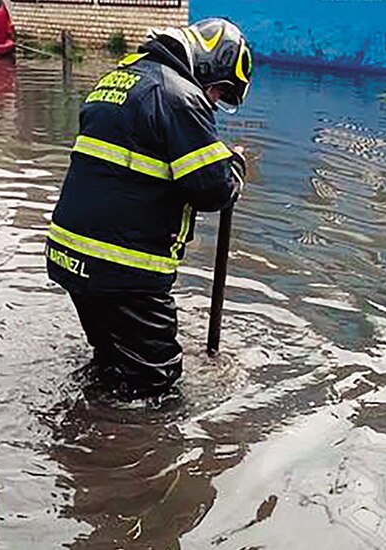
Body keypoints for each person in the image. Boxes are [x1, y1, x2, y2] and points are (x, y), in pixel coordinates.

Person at [46, 18, 253, 398]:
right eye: (220, 90)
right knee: (156, 386)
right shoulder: (180, 96)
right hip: (125, 269)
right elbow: (212, 190)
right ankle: (130, 436)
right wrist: (235, 167)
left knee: (110, 362)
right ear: (207, 67)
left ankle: (83, 422)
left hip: (71, 256)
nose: (214, 100)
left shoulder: (117, 79)